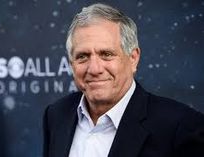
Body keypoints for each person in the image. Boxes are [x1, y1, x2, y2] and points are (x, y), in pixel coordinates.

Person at [43, 3, 204, 157]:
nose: (94, 69)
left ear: (133, 58)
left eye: (106, 54)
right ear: (71, 64)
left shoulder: (181, 126)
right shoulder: (57, 115)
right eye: (82, 56)